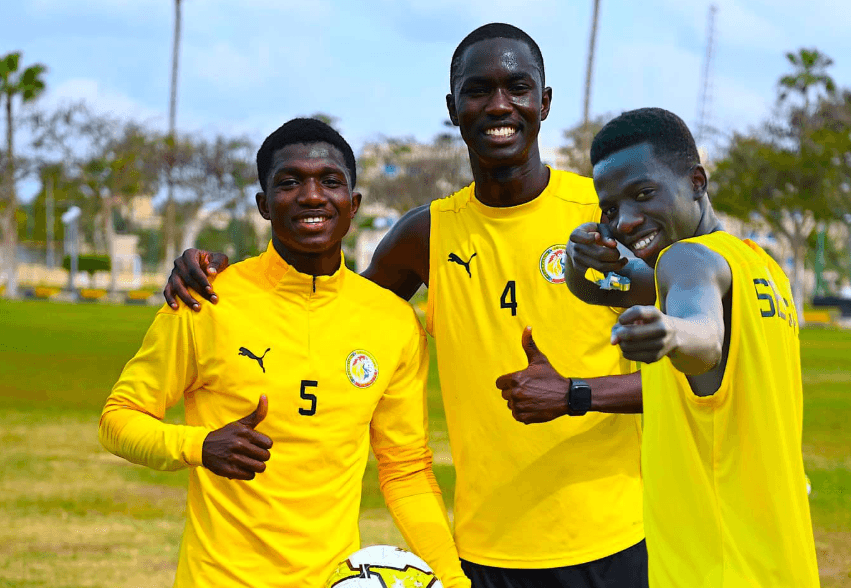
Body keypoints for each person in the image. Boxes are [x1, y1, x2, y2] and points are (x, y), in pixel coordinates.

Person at [163, 24, 647, 588]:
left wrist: (575, 394)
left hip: (616, 541)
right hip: (481, 551)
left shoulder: (608, 217)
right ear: (452, 107)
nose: (499, 105)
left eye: (517, 87)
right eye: (477, 90)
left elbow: (703, 371)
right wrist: (226, 271)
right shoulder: (426, 234)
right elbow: (331, 303)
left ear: (543, 102)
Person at [99, 118, 470, 588]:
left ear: (352, 204)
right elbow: (118, 417)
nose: (312, 196)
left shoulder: (393, 321)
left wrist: (454, 580)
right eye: (290, 182)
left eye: (330, 182)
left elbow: (406, 473)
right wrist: (198, 445)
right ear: (264, 205)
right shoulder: (207, 299)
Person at [560, 107, 820, 587]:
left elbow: (703, 335)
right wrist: (578, 260)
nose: (626, 222)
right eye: (610, 209)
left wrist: (672, 334)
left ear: (696, 181)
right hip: (780, 562)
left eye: (642, 194)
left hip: (713, 569)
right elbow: (603, 289)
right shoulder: (760, 267)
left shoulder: (685, 260)